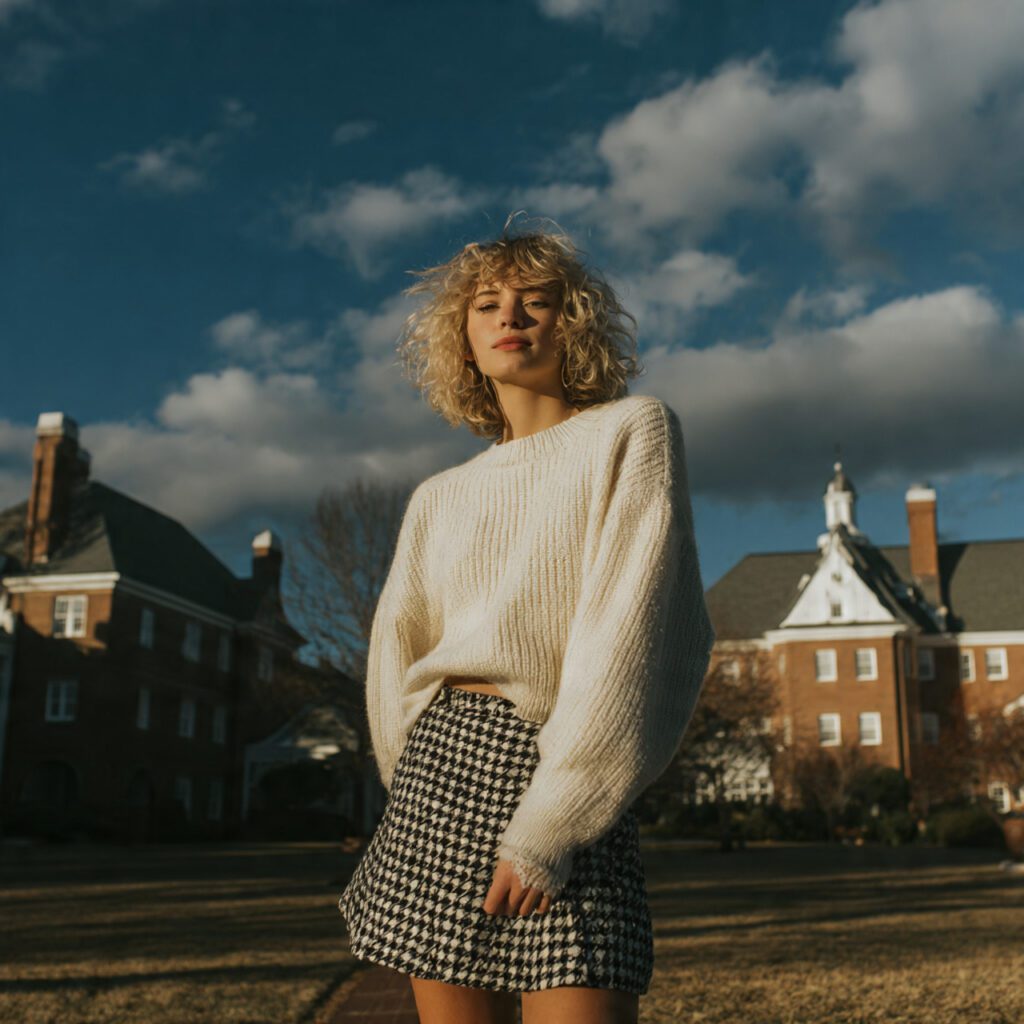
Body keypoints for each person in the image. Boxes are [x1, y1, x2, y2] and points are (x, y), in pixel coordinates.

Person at [337, 222, 716, 1024]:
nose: (511, 314)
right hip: (439, 774)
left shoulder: (630, 431)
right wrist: (410, 786)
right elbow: (393, 656)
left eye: (535, 301)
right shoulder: (439, 496)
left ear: (571, 322)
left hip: (561, 763)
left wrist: (554, 820)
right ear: (464, 341)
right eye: (487, 305)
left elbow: (638, 632)